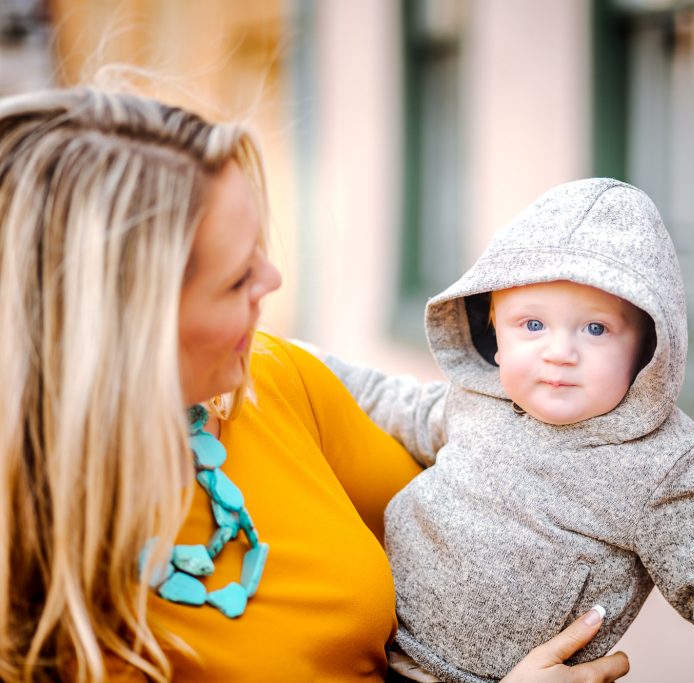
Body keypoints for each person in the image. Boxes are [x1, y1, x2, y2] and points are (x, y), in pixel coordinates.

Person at [0, 87, 629, 683]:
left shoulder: (273, 381)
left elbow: (465, 515)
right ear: (126, 324)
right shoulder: (31, 569)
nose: (272, 280)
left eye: (262, 251)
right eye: (236, 278)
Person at [319, 178, 694, 682]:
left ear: (646, 349)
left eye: (595, 329)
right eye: (532, 325)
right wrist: (298, 360)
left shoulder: (659, 465)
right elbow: (389, 400)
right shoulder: (477, 402)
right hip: (375, 648)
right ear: (496, 334)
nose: (559, 352)